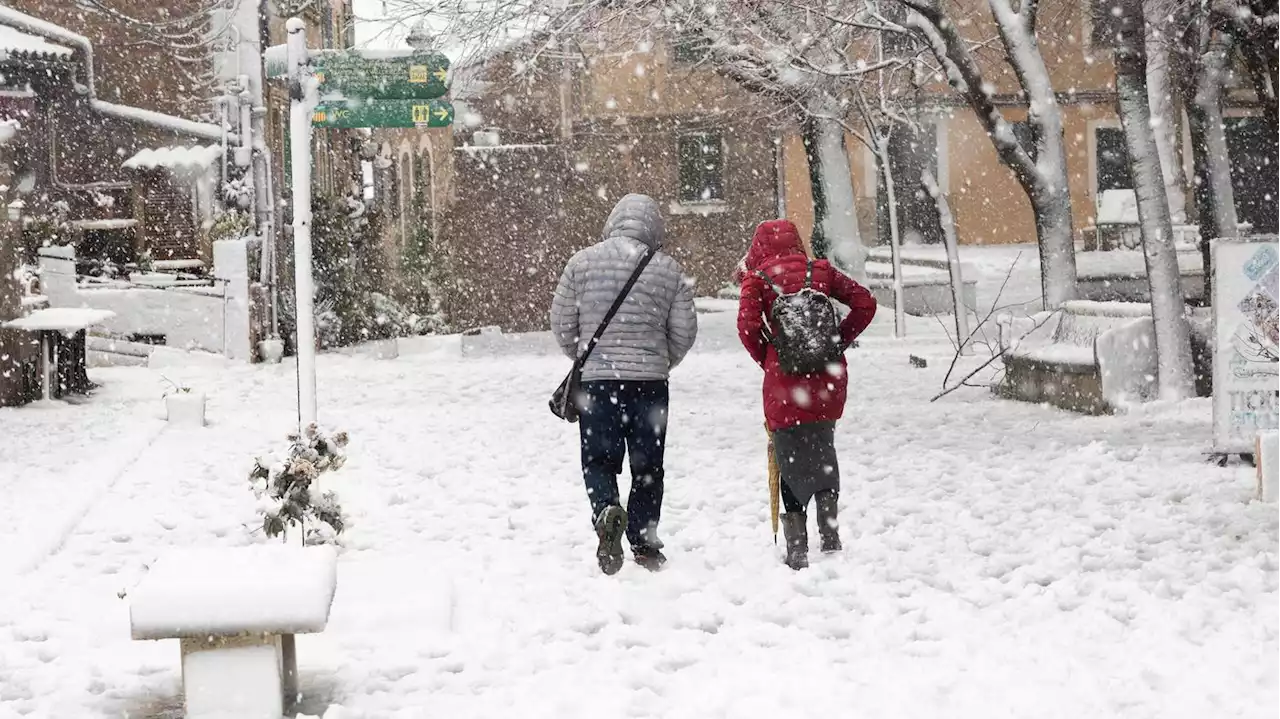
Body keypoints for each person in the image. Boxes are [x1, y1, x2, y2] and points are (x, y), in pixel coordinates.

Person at [550, 194, 698, 575]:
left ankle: (606, 511)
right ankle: (644, 541)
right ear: (654, 228)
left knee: (598, 459)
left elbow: (562, 323)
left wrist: (586, 356)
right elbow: (684, 332)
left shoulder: (581, 264)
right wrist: (661, 361)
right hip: (649, 385)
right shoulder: (668, 270)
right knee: (648, 465)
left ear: (613, 222)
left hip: (598, 384)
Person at [736, 219, 877, 570]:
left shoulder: (757, 281)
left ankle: (797, 547)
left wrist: (769, 357)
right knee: (823, 451)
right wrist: (835, 342)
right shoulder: (821, 271)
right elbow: (865, 303)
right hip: (826, 383)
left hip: (784, 386)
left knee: (788, 460)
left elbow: (747, 327)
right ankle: (830, 534)